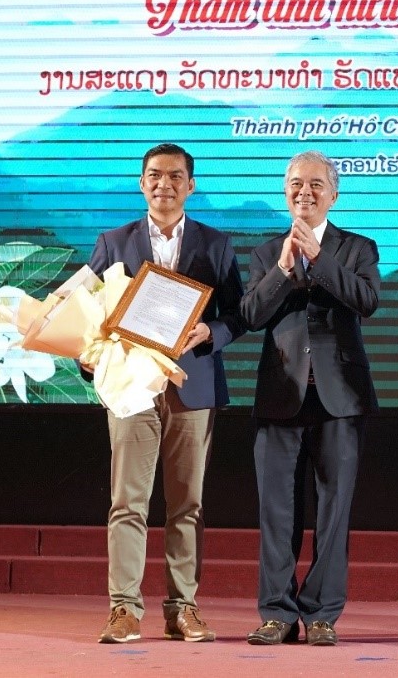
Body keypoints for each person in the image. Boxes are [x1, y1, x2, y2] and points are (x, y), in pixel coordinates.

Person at [90, 143, 246, 644]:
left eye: (176, 177)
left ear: (191, 185)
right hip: (132, 388)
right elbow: (87, 313)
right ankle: (123, 609)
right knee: (127, 502)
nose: (165, 185)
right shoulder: (113, 242)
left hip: (193, 384)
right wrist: (88, 353)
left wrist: (211, 334)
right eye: (155, 176)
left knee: (188, 504)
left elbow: (238, 315)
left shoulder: (215, 243)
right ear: (142, 183)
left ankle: (183, 607)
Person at [241, 151, 380, 647]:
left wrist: (318, 261)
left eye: (316, 184)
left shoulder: (357, 247)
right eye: (296, 183)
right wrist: (282, 270)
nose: (305, 192)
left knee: (333, 510)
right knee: (276, 512)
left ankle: (322, 613)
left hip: (340, 397)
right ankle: (277, 612)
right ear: (285, 191)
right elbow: (252, 315)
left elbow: (366, 300)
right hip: (281, 396)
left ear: (334, 193)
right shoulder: (264, 252)